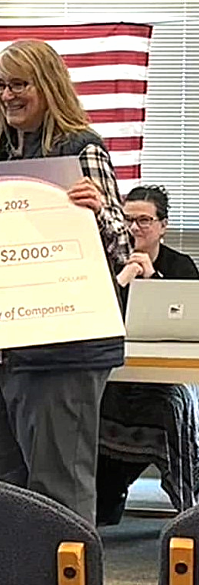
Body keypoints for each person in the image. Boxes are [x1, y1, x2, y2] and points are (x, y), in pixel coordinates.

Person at [0, 39, 132, 522]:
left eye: (19, 83)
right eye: (0, 84)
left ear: (48, 85)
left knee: (58, 491)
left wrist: (100, 213)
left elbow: (124, 251)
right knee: (5, 497)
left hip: (59, 352)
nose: (7, 94)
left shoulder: (79, 150)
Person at [97, 185, 199, 524]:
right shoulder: (106, 260)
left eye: (144, 220)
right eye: (128, 220)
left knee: (174, 405)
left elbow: (187, 324)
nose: (135, 228)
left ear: (163, 225)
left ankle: (188, 508)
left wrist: (152, 279)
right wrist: (123, 277)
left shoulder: (181, 266)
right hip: (115, 375)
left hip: (162, 381)